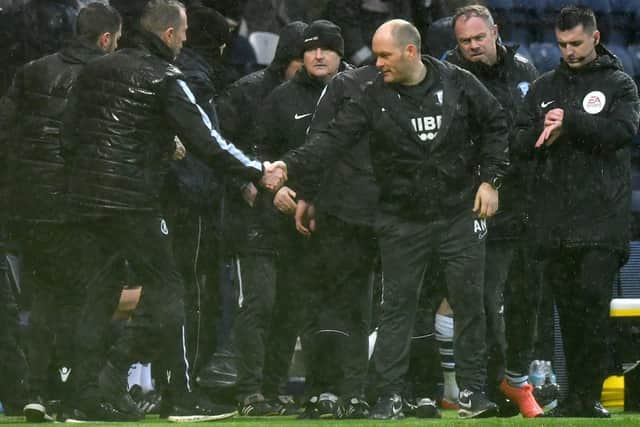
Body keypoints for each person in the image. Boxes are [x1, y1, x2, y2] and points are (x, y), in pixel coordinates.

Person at [60, 0, 285, 422]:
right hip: (135, 202)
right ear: (167, 35)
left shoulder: (94, 70)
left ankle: (83, 395)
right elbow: (209, 142)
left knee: (98, 295)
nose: (184, 41)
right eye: (181, 34)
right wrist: (257, 171)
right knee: (168, 291)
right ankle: (129, 379)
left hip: (85, 202)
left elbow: (69, 135)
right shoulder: (166, 78)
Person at [278, 19, 509, 419]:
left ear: (410, 52)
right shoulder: (371, 94)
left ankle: (473, 392)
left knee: (470, 301)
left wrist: (490, 181)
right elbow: (332, 139)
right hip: (402, 217)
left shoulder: (458, 82)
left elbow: (496, 124)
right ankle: (389, 394)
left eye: (384, 54)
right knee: (397, 307)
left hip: (457, 211)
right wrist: (289, 168)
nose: (376, 62)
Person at [513, 5, 640, 418]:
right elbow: (517, 140)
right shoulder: (544, 85)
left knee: (592, 303)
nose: (568, 51)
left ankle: (590, 395)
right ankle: (574, 398)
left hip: (602, 218)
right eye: (562, 44)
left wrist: (573, 123)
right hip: (555, 220)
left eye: (576, 43)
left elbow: (623, 132)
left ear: (596, 37)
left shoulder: (619, 84)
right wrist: (540, 134)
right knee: (567, 310)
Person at [1, 3, 122, 422]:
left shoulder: (31, 71)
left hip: (31, 208)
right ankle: (77, 392)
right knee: (88, 301)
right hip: (80, 206)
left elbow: (6, 132)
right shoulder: (108, 75)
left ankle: (36, 391)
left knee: (44, 300)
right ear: (106, 39)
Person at [444, 4, 542, 418]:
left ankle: (516, 376)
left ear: (495, 32)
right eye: (464, 41)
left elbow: (535, 130)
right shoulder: (448, 75)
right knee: (480, 299)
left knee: (525, 297)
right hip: (474, 204)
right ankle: (488, 382)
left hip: (524, 201)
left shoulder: (524, 71)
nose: (471, 47)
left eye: (478, 38)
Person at [206, 20, 307, 414]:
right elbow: (215, 145)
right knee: (260, 303)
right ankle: (250, 391)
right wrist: (241, 183)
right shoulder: (246, 93)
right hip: (252, 220)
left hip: (292, 215)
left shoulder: (321, 95)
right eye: (300, 60)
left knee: (289, 307)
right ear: (285, 60)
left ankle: (274, 387)